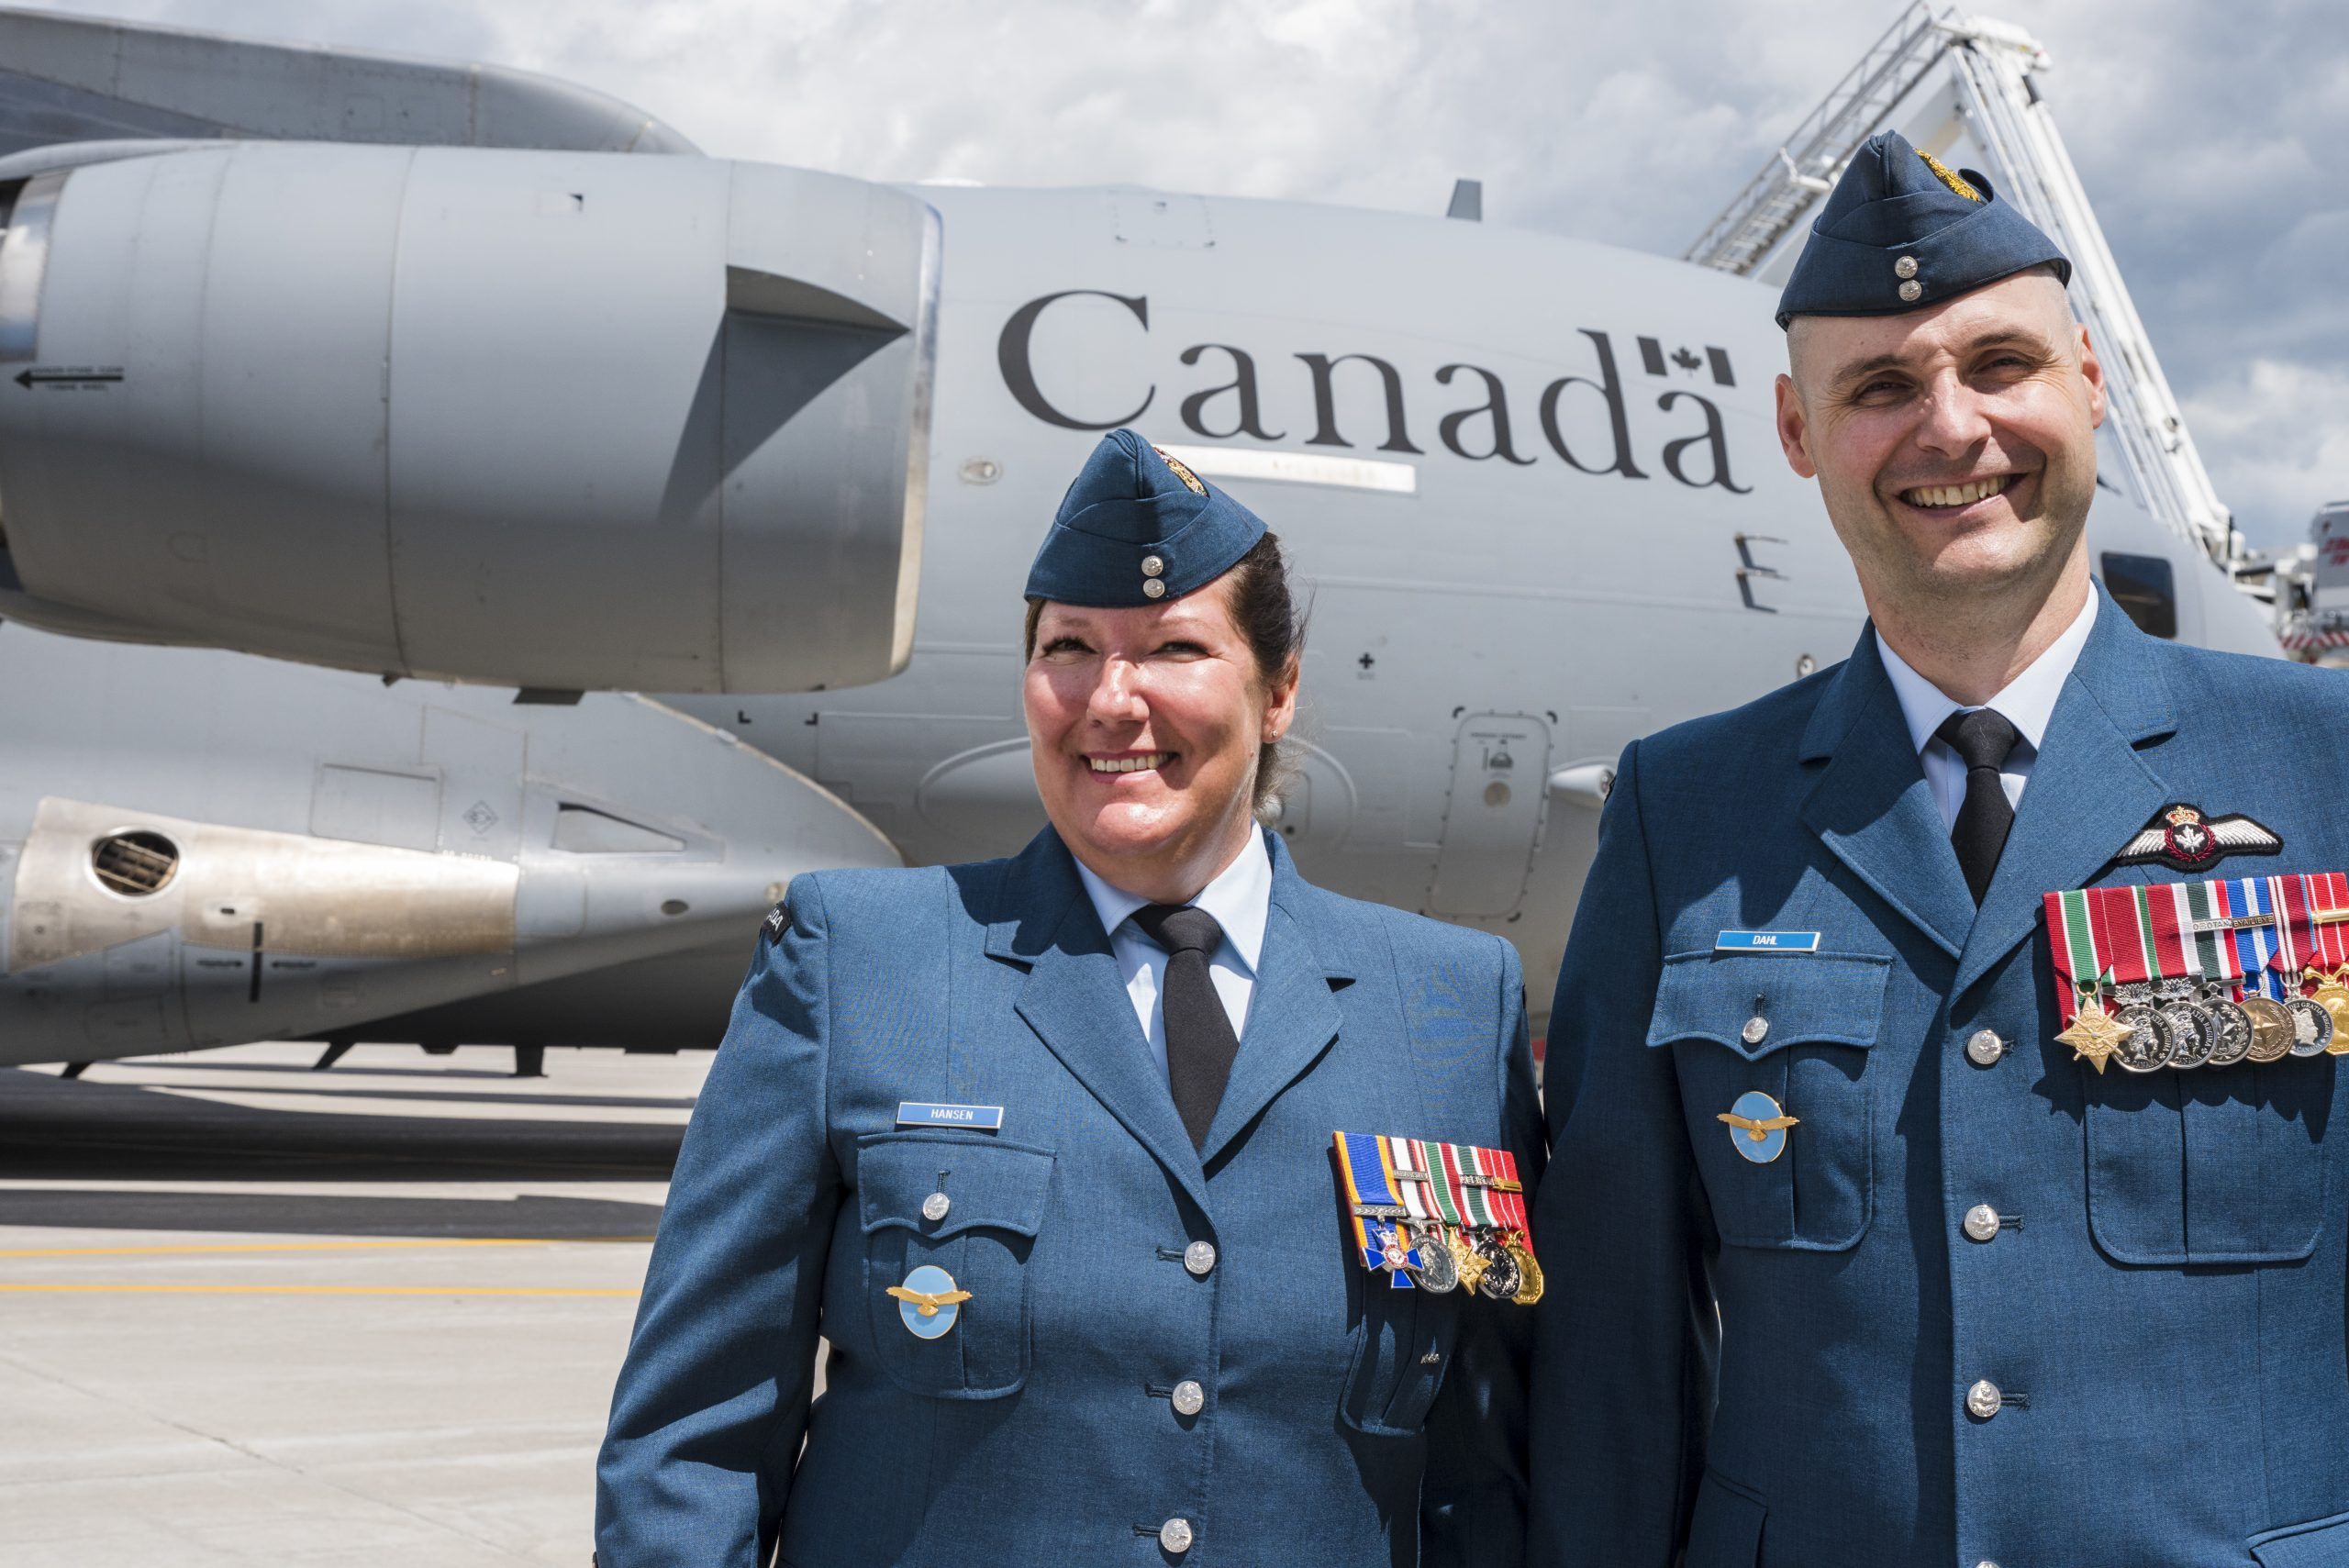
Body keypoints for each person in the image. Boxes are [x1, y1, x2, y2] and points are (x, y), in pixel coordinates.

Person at [1527, 130, 2349, 1567]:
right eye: (1883, 387)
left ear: (2091, 384)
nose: (1951, 428)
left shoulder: (2322, 767)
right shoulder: (1684, 816)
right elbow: (1614, 1343)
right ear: (1797, 433)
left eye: (2000, 366)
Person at [596, 428, 1541, 1567]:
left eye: (1176, 647)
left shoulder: (1443, 1003)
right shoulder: (862, 960)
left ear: (1279, 689)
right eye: (1070, 647)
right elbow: (692, 1438)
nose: (1111, 698)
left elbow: (1490, 1456)